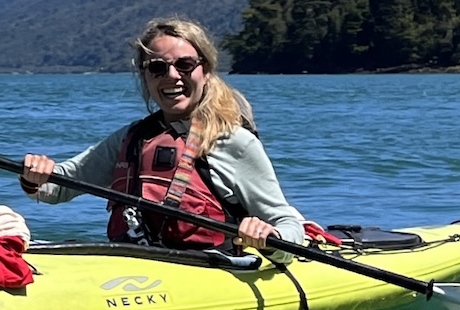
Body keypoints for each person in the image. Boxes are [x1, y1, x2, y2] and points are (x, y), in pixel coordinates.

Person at [18, 16, 306, 251]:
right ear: (145, 77)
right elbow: (58, 187)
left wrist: (271, 237)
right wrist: (36, 176)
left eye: (184, 65)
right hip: (140, 264)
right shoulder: (131, 139)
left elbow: (287, 223)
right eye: (157, 68)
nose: (172, 76)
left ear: (205, 71)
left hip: (213, 269)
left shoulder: (235, 143)